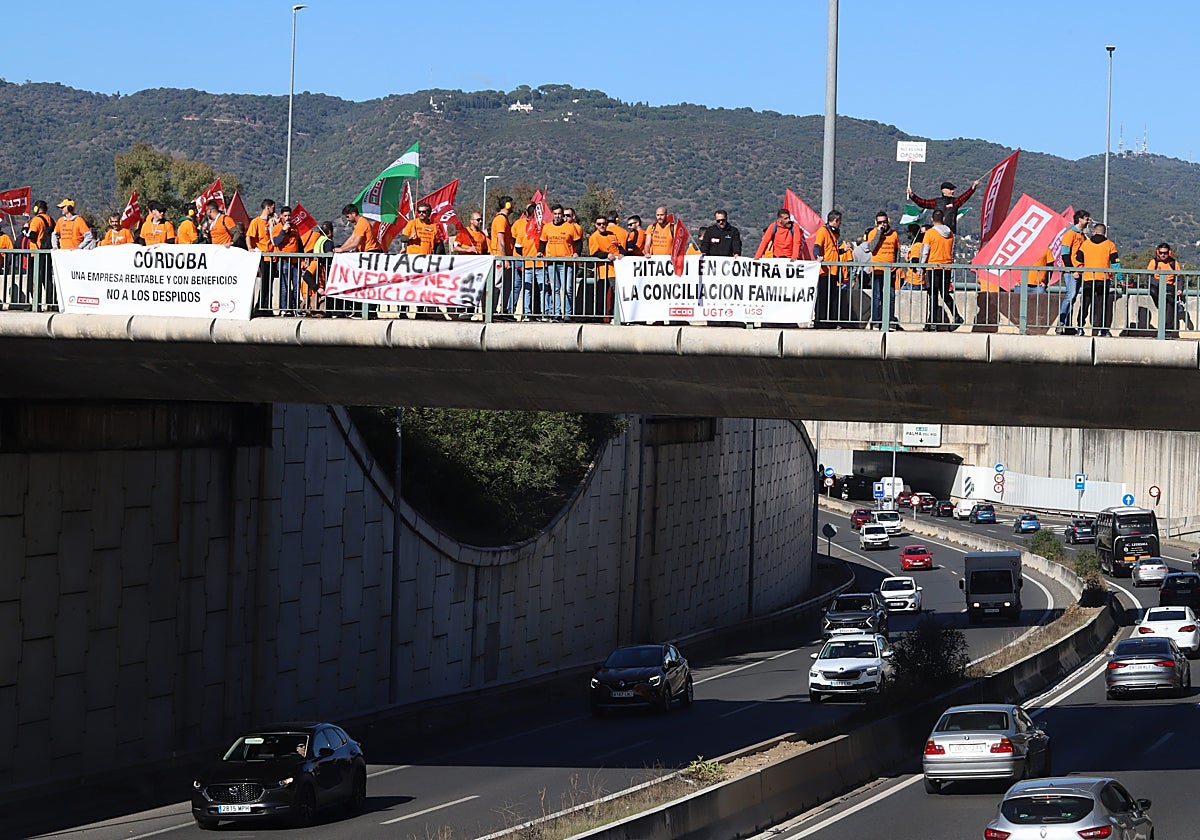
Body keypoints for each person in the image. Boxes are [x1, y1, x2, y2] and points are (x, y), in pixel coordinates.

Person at [921, 209, 963, 330]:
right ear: (943, 219)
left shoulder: (930, 233)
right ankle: (956, 316)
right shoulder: (950, 233)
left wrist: (921, 266)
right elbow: (952, 251)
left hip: (933, 266)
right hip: (947, 266)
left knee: (933, 295)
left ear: (932, 220)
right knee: (945, 294)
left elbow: (925, 251)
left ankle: (932, 322)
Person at [537, 204, 581, 319]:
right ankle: (556, 313)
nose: (557, 216)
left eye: (559, 214)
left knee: (568, 289)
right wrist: (540, 252)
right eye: (555, 214)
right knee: (555, 289)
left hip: (567, 263)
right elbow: (542, 242)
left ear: (562, 215)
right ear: (552, 214)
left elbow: (578, 242)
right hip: (552, 263)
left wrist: (577, 253)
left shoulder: (570, 227)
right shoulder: (547, 227)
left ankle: (567, 314)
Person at [1075, 222, 1118, 337]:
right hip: (1103, 278)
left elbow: (1078, 259)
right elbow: (1115, 263)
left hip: (1089, 278)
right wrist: (1120, 277)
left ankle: (1080, 327)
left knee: (1085, 303)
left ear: (1094, 232)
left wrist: (1079, 271)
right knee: (1102, 305)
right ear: (1105, 233)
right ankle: (1101, 329)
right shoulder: (1110, 244)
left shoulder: (1085, 244)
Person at [1055, 210, 1091, 335]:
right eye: (1086, 219)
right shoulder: (1070, 233)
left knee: (1073, 297)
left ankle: (1067, 325)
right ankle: (1061, 323)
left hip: (1079, 270)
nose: (1088, 221)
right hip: (1072, 271)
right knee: (1070, 295)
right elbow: (1065, 253)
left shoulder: (1081, 235)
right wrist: (1072, 269)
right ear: (1080, 219)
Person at [906, 179, 981, 236]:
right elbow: (922, 203)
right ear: (944, 190)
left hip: (950, 232)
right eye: (951, 189)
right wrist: (912, 195)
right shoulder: (936, 201)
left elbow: (965, 197)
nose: (953, 191)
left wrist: (973, 187)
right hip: (938, 232)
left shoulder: (955, 202)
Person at [867, 211, 901, 329]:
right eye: (880, 222)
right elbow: (871, 248)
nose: (883, 224)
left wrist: (896, 263)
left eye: (885, 222)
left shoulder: (894, 234)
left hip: (890, 270)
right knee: (877, 296)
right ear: (876, 223)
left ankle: (891, 320)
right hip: (877, 269)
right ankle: (876, 320)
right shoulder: (873, 233)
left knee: (891, 296)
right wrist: (878, 232)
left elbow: (897, 250)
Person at [811, 210, 846, 328]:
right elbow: (817, 246)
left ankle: (830, 321)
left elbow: (832, 250)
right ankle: (820, 321)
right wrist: (817, 257)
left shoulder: (834, 234)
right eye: (839, 222)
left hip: (833, 271)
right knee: (823, 297)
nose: (840, 224)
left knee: (832, 297)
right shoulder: (823, 231)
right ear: (835, 221)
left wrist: (842, 251)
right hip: (825, 271)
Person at [583, 215, 621, 320]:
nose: (602, 226)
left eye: (603, 224)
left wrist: (622, 253)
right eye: (599, 224)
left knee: (614, 294)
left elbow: (619, 247)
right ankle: (600, 316)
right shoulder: (594, 237)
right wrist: (606, 255)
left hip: (615, 269)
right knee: (602, 294)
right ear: (596, 225)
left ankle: (614, 315)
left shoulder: (612, 235)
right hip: (604, 271)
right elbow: (594, 253)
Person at [271, 206, 304, 311]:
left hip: (295, 261)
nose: (288, 217)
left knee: (296, 286)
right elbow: (276, 242)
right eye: (285, 216)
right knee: (284, 287)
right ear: (281, 216)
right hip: (284, 261)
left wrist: (303, 258)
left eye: (289, 215)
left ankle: (295, 308)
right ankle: (284, 309)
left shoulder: (295, 227)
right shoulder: (277, 228)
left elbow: (299, 243)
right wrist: (283, 231)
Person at [1147, 242, 1183, 335]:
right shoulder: (1153, 262)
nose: (1163, 255)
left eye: (1165, 253)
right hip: (1157, 286)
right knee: (1153, 291)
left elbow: (1179, 277)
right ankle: (1161, 304)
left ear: (1169, 253)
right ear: (1158, 253)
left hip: (1170, 287)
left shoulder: (1174, 263)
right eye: (1161, 253)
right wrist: (1159, 283)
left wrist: (1179, 288)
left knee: (1169, 304)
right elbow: (1150, 276)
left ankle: (1167, 330)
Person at [25, 200, 55, 307]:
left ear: (37, 208)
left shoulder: (36, 220)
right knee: (47, 280)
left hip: (36, 253)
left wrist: (25, 229)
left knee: (34, 280)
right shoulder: (51, 219)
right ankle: (51, 303)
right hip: (47, 253)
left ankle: (35, 303)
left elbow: (31, 235)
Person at [301, 219, 333, 315]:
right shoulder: (316, 263)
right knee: (321, 313)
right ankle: (307, 306)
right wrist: (318, 289)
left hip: (317, 293)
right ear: (330, 232)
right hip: (312, 294)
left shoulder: (319, 240)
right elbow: (306, 276)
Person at [490, 196, 514, 317]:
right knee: (498, 284)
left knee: (504, 285)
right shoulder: (501, 220)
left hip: (503, 258)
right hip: (500, 258)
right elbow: (501, 241)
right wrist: (505, 259)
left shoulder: (502, 219)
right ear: (508, 205)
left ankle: (502, 311)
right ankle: (493, 311)